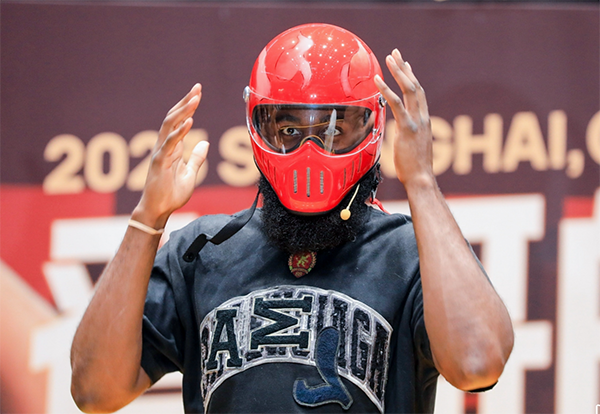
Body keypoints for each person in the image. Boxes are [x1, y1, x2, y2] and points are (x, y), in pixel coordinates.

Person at [70, 23, 514, 414]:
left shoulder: (410, 253)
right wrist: (147, 220)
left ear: (373, 127)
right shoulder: (202, 250)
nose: (309, 152)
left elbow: (476, 363)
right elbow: (94, 391)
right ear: (257, 126)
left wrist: (421, 181)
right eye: (288, 130)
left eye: (334, 130)